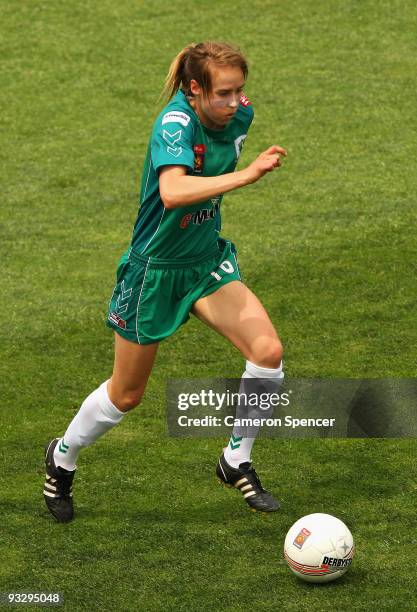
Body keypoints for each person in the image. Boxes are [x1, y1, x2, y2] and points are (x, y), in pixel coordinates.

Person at [43, 41, 287, 523]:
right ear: (194, 89)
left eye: (241, 91)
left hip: (204, 262)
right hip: (155, 272)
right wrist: (247, 176)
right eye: (223, 93)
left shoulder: (240, 115)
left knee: (267, 353)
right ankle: (62, 456)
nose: (236, 102)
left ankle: (234, 460)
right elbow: (173, 191)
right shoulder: (173, 124)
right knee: (126, 395)